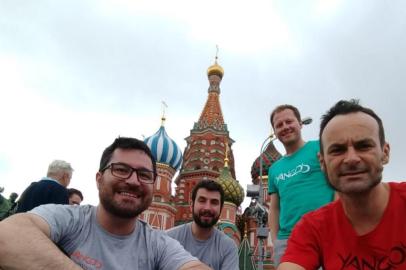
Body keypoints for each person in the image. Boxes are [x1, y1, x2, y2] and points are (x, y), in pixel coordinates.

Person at [0, 137, 211, 270]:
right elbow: (7, 236)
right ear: (99, 179)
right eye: (121, 169)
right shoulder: (72, 220)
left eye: (145, 175)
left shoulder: (157, 245)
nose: (133, 181)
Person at [278, 100, 406, 269]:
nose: (351, 159)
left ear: (385, 152)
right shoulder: (312, 227)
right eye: (337, 150)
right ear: (322, 162)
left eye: (364, 146)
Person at [268, 104, 335, 266]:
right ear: (275, 132)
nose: (285, 127)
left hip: (326, 233)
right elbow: (275, 208)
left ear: (300, 124)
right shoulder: (274, 169)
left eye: (289, 122)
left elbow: (338, 184)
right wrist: (276, 241)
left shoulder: (320, 147)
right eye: (279, 125)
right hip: (288, 240)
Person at [167, 180, 238, 270]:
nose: (207, 208)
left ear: (221, 209)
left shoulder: (228, 247)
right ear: (191, 205)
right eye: (202, 201)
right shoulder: (169, 239)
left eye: (214, 202)